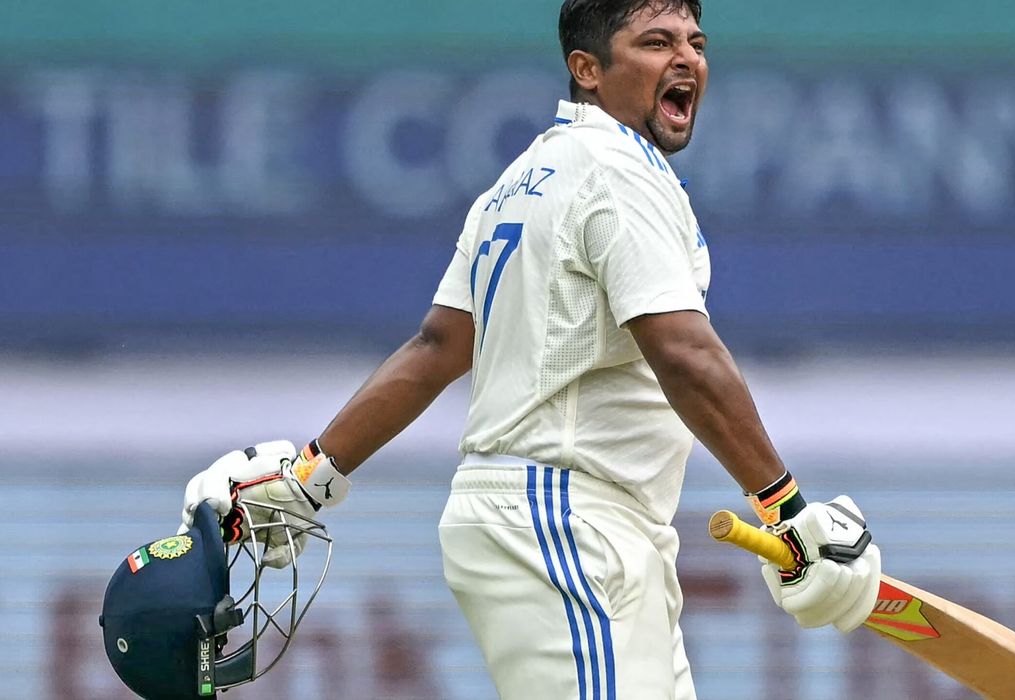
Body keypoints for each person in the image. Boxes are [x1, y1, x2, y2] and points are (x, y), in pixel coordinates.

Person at [178, 1, 882, 698]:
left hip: (563, 522)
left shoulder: (517, 181)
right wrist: (786, 511)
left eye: (695, 43)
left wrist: (308, 477)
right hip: (565, 520)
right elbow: (683, 354)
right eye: (656, 42)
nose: (686, 59)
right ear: (587, 69)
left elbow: (436, 348)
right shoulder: (617, 169)